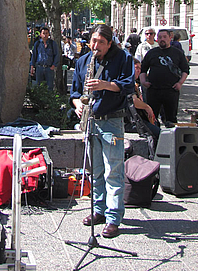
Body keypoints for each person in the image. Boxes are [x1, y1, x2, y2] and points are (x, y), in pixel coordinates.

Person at [70, 24, 134, 238]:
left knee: (113, 171)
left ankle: (114, 217)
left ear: (110, 43)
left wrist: (106, 85)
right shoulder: (83, 61)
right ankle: (99, 210)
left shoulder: (122, 58)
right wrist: (77, 103)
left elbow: (128, 85)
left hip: (112, 121)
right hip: (91, 121)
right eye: (93, 41)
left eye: (100, 42)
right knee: (95, 171)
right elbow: (76, 91)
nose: (95, 46)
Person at [139, 29, 190, 124]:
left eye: (164, 37)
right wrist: (143, 82)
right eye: (160, 37)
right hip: (153, 90)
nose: (162, 39)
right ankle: (154, 137)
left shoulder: (177, 53)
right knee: (151, 118)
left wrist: (180, 83)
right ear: (157, 39)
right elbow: (143, 69)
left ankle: (170, 137)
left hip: (171, 90)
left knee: (171, 119)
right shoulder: (152, 53)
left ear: (170, 38)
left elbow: (185, 70)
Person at [124, 58, 160, 140]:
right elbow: (133, 101)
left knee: (157, 126)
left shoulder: (135, 84)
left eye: (140, 68)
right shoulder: (127, 83)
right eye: (136, 68)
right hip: (130, 122)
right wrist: (147, 107)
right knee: (158, 133)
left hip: (139, 119)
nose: (139, 71)